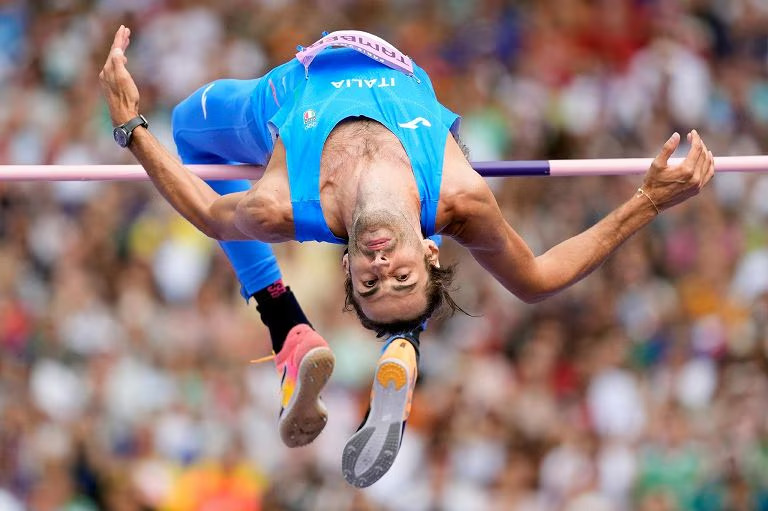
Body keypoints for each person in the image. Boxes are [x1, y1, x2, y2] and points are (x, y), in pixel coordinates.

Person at [99, 26, 715, 487]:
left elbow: (209, 213)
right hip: (412, 129)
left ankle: (287, 326)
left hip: (285, 93)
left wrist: (131, 127)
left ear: (346, 268)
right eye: (400, 274)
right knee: (434, 204)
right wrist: (647, 201)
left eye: (370, 283)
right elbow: (539, 279)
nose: (379, 264)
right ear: (427, 250)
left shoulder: (287, 203)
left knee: (184, 127)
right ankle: (405, 336)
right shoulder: (459, 195)